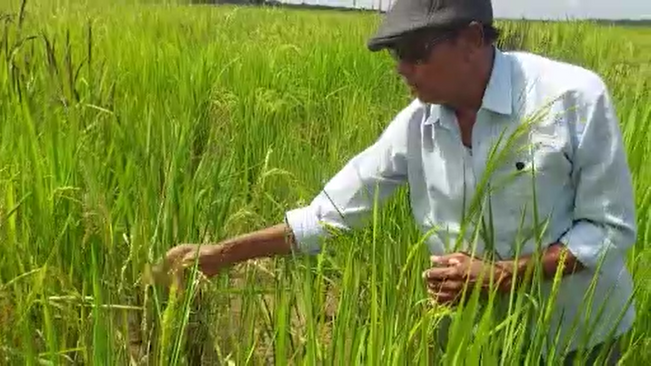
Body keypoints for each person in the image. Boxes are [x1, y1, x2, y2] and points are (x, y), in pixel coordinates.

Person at [160, 0, 637, 363]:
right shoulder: (417, 125)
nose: (402, 70)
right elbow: (329, 214)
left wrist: (503, 274)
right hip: (471, 342)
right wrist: (222, 255)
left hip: (578, 340)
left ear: (473, 38)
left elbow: (611, 229)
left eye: (415, 53)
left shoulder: (572, 98)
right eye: (395, 55)